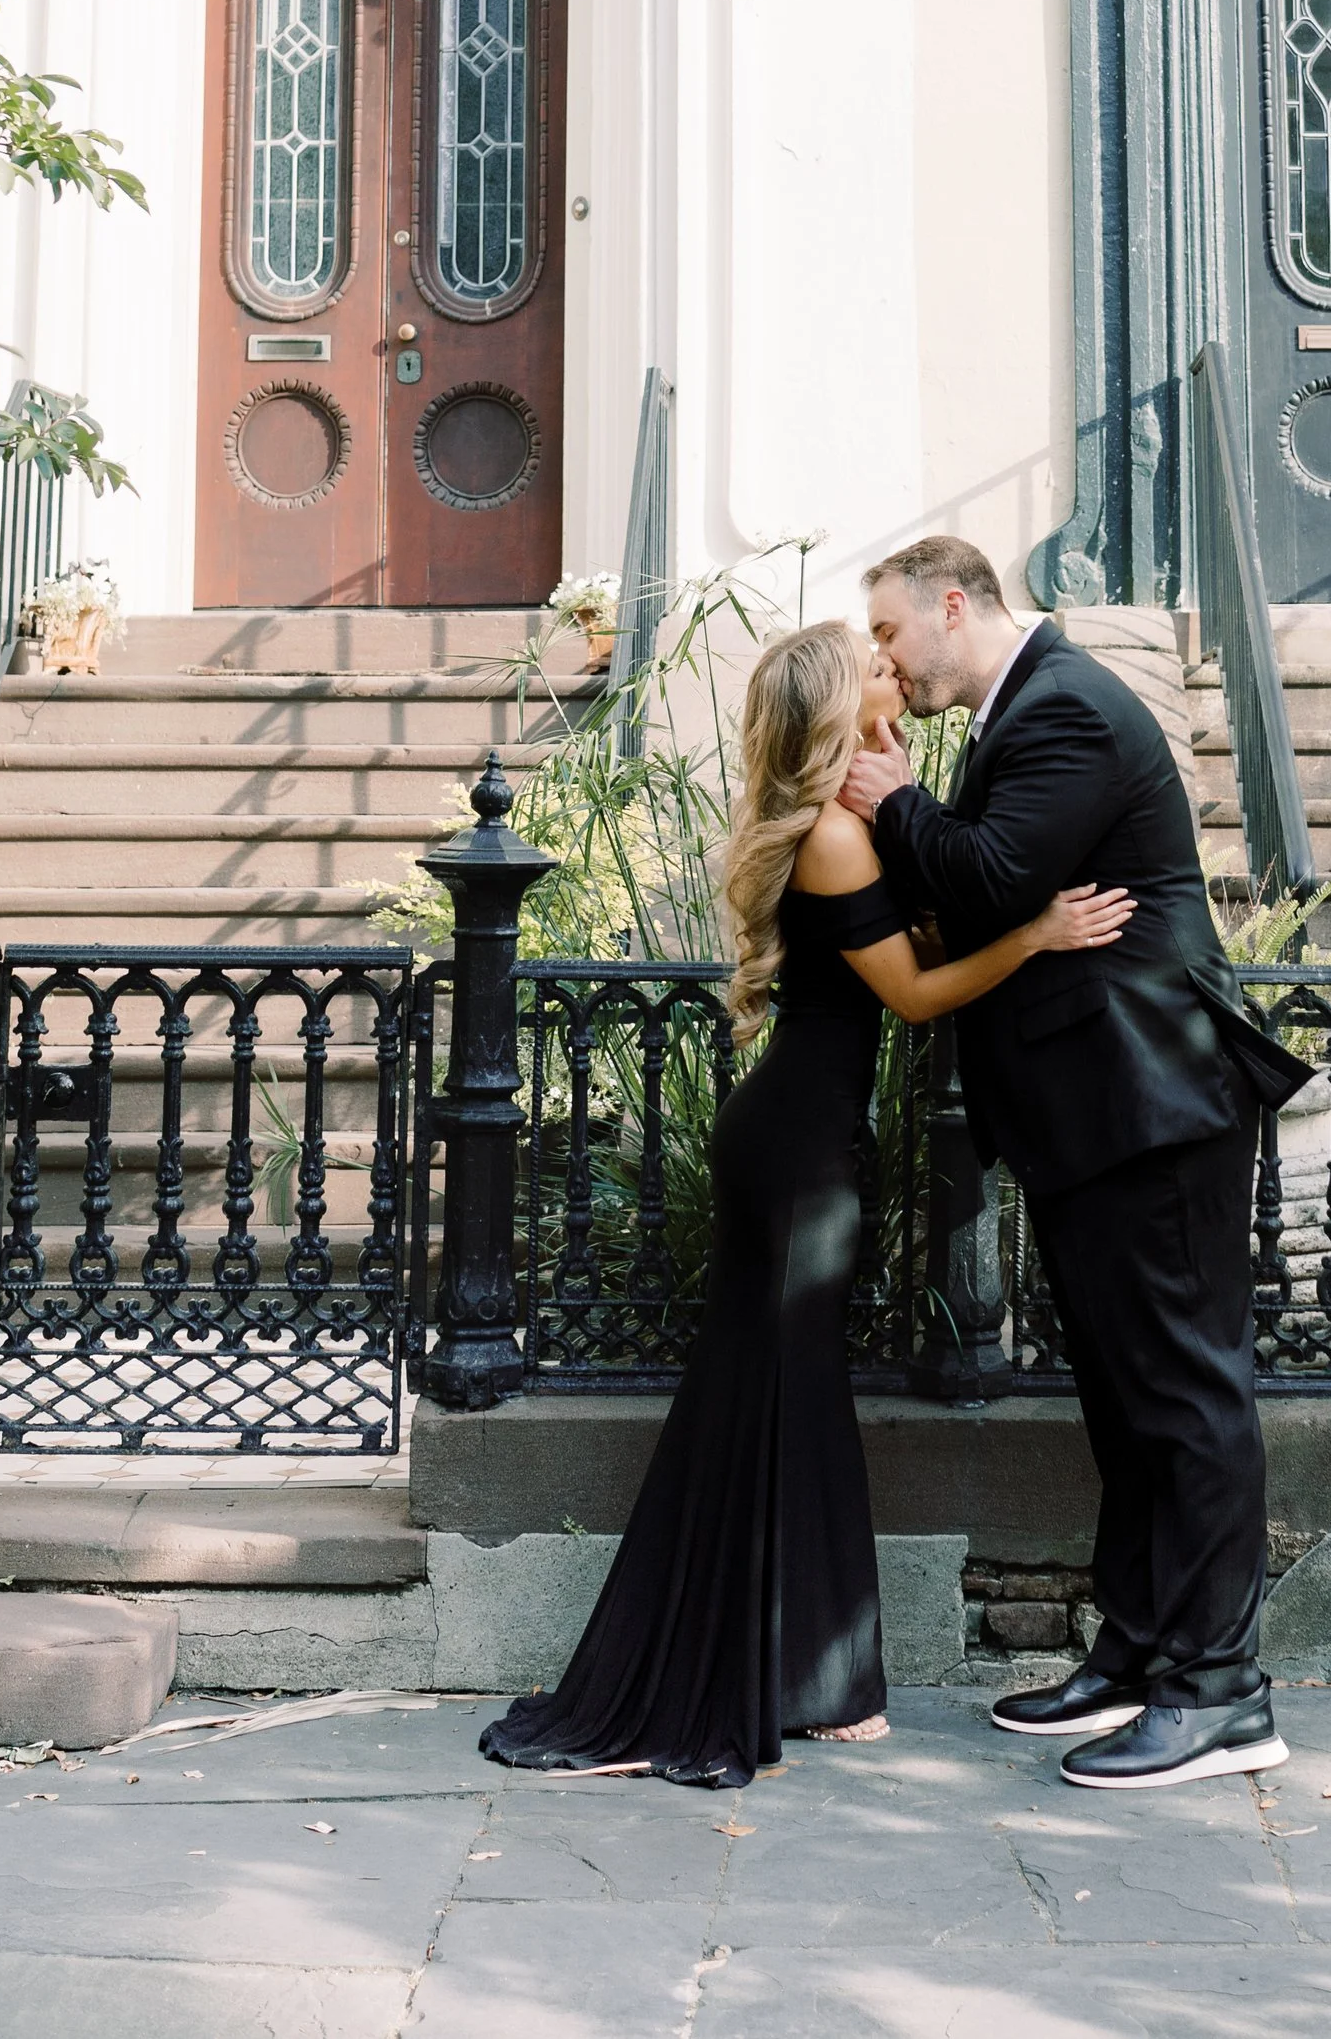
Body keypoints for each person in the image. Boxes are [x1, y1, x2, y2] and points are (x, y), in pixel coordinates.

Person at [479, 616, 1135, 1790]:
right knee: (783, 1402)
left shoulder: (858, 818)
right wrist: (1037, 933)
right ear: (844, 706)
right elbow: (919, 993)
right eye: (879, 667)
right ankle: (802, 1682)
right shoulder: (835, 837)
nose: (900, 671)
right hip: (791, 1154)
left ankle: (806, 1676)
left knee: (783, 1400)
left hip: (801, 1139)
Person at [842, 535, 1307, 1791]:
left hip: (1149, 1103)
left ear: (953, 604)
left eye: (888, 632)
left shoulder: (1069, 712)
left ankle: (1221, 1694)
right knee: (1123, 1395)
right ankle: (1143, 1647)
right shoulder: (1022, 713)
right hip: (1094, 1109)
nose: (884, 658)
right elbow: (996, 900)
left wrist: (891, 804)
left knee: (1188, 1397)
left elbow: (994, 879)